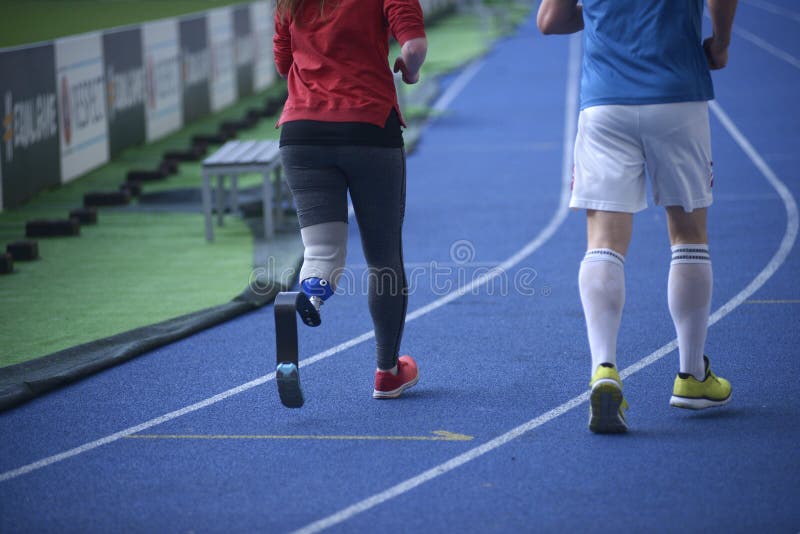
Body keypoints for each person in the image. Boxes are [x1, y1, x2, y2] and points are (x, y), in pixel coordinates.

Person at [537, 0, 738, 433]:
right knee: (688, 235)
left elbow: (549, 20)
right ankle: (692, 376)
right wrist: (720, 44)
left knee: (604, 239)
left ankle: (604, 367)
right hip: (678, 91)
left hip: (606, 98)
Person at [273, 0, 427, 399]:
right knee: (383, 259)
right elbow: (413, 47)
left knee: (322, 251)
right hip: (368, 127)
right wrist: (408, 71)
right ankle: (387, 372)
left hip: (302, 132)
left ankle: (309, 295)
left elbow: (282, 63)